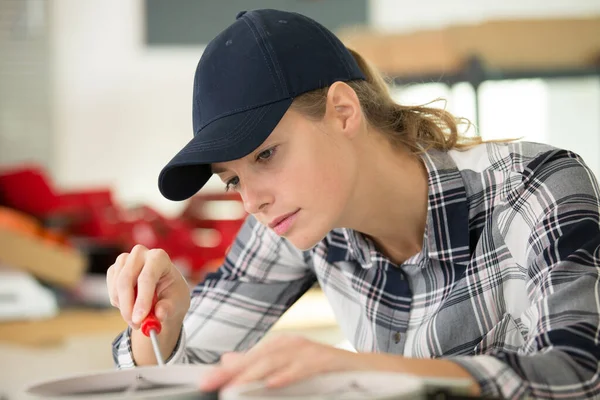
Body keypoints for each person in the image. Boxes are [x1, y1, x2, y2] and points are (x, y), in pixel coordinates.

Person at [107, 8, 600, 400]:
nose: (253, 200)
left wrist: (362, 372)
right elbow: (177, 376)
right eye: (233, 180)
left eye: (267, 154)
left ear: (344, 112)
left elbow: (581, 376)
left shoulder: (537, 188)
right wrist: (159, 328)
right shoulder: (288, 219)